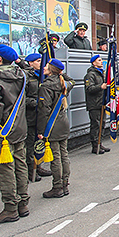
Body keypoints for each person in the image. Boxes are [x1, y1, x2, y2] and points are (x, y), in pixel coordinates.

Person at [0, 45, 29, 224]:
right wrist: (19, 61)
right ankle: (23, 203)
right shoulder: (22, 76)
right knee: (20, 165)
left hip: (4, 133)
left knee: (6, 170)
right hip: (20, 129)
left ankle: (10, 208)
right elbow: (28, 68)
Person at [37, 58, 75, 198]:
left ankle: (57, 187)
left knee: (56, 157)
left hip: (52, 124)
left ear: (51, 70)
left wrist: (41, 131)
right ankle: (65, 185)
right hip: (63, 122)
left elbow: (44, 110)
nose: (44, 67)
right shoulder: (64, 83)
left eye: (47, 66)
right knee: (64, 154)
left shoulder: (46, 86)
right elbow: (72, 81)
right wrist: (61, 73)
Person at [18, 53, 49, 182]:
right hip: (31, 116)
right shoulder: (26, 77)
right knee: (30, 145)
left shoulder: (44, 75)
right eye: (37, 61)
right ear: (30, 63)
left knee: (40, 143)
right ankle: (31, 170)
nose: (41, 63)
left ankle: (38, 165)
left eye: (41, 60)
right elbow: (21, 98)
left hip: (42, 116)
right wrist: (36, 102)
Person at [84, 54, 109, 154]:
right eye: (99, 60)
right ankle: (95, 146)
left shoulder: (101, 73)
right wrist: (100, 87)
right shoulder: (90, 75)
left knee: (102, 124)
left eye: (101, 60)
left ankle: (100, 143)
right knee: (96, 125)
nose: (101, 61)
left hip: (102, 102)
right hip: (94, 104)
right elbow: (89, 88)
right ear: (94, 63)